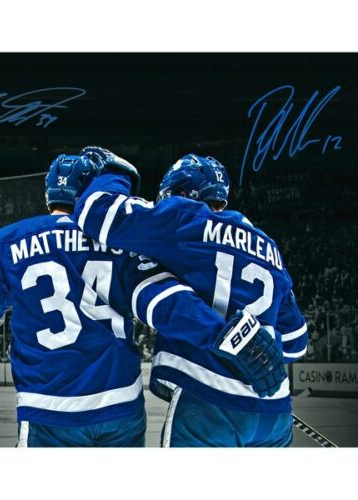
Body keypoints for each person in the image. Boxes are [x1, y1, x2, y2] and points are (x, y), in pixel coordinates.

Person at [0, 154, 234, 447]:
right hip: (120, 408)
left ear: (49, 196)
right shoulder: (125, 243)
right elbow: (162, 302)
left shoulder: (8, 243)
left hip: (49, 409)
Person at [74, 147, 308, 447]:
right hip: (274, 413)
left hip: (209, 400)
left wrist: (115, 171)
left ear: (184, 192)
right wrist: (255, 360)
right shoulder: (268, 246)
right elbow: (295, 340)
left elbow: (96, 211)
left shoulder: (185, 217)